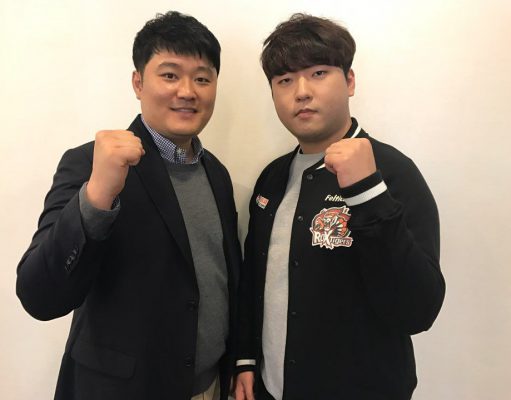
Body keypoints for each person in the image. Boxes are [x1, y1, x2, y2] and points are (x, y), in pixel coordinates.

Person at [16, 11, 241, 400]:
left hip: (209, 386)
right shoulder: (91, 163)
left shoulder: (216, 173)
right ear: (138, 82)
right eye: (169, 75)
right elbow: (39, 296)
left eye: (202, 78)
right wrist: (97, 195)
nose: (187, 91)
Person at [235, 13, 445, 400]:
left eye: (318, 73)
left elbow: (418, 311)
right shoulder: (273, 177)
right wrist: (245, 357)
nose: (301, 92)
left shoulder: (393, 172)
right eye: (285, 80)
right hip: (271, 389)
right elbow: (254, 278)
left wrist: (368, 193)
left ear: (349, 81)